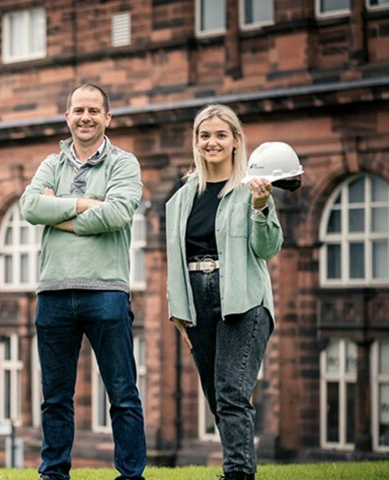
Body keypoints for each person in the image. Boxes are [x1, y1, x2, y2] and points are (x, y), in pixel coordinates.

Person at [20, 84, 146, 480]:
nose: (85, 117)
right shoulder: (50, 163)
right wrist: (84, 204)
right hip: (53, 293)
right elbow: (29, 207)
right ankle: (53, 473)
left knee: (122, 394)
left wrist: (60, 216)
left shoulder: (124, 163)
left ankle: (130, 474)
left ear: (107, 118)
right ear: (67, 116)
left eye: (94, 110)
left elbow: (119, 213)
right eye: (78, 110)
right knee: (54, 398)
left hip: (106, 291)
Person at [165, 104, 282, 480]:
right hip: (196, 302)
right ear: (195, 142)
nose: (211, 142)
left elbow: (268, 249)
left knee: (232, 391)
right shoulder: (182, 197)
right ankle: (238, 467)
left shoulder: (253, 189)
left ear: (235, 141)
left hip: (243, 299)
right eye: (204, 135)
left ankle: (238, 473)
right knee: (217, 396)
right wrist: (178, 312)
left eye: (220, 135)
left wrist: (261, 207)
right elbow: (173, 257)